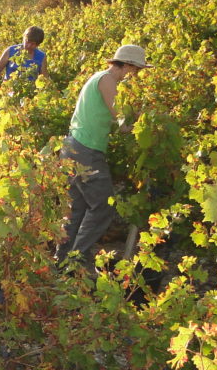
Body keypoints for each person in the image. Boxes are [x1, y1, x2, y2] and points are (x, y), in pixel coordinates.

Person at [55, 44, 152, 268]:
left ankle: (62, 262)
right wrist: (148, 118)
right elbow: (123, 123)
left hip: (73, 147)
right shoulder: (107, 81)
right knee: (103, 206)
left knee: (77, 208)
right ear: (126, 65)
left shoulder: (102, 78)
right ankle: (77, 262)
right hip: (85, 151)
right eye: (136, 71)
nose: (136, 76)